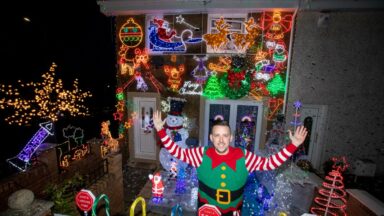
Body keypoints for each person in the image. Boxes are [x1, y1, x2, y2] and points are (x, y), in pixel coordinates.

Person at [153, 111, 308, 216]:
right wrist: (161, 130)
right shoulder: (200, 154)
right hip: (206, 210)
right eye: (217, 135)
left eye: (225, 135)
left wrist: (293, 145)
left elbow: (270, 163)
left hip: (233, 211)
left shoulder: (245, 156)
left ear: (231, 138)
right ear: (211, 138)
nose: (221, 140)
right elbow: (176, 151)